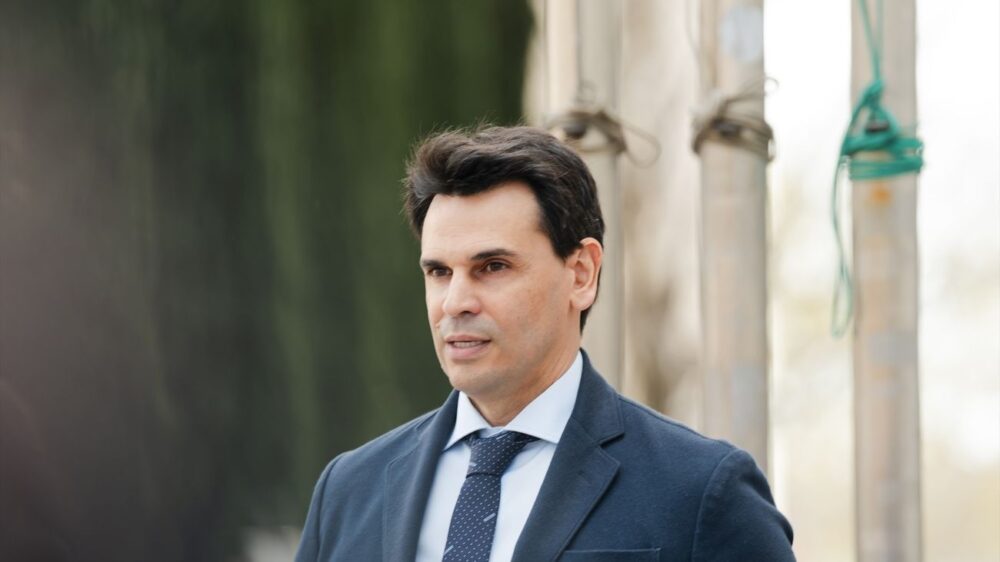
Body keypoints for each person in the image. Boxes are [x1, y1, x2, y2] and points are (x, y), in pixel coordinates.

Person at [294, 126, 795, 561]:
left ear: (581, 274)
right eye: (439, 272)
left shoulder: (700, 491)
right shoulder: (348, 491)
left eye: (493, 267)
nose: (455, 302)